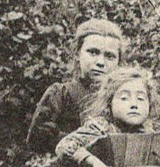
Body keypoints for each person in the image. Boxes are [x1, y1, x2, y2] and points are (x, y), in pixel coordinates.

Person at [26, 18, 125, 155]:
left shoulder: (124, 97)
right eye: (93, 52)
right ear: (78, 54)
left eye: (110, 56)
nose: (101, 62)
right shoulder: (62, 94)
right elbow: (37, 138)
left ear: (119, 62)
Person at [53, 65, 160, 167]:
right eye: (124, 98)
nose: (134, 104)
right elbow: (65, 145)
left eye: (141, 98)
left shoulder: (155, 130)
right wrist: (95, 164)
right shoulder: (100, 127)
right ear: (109, 103)